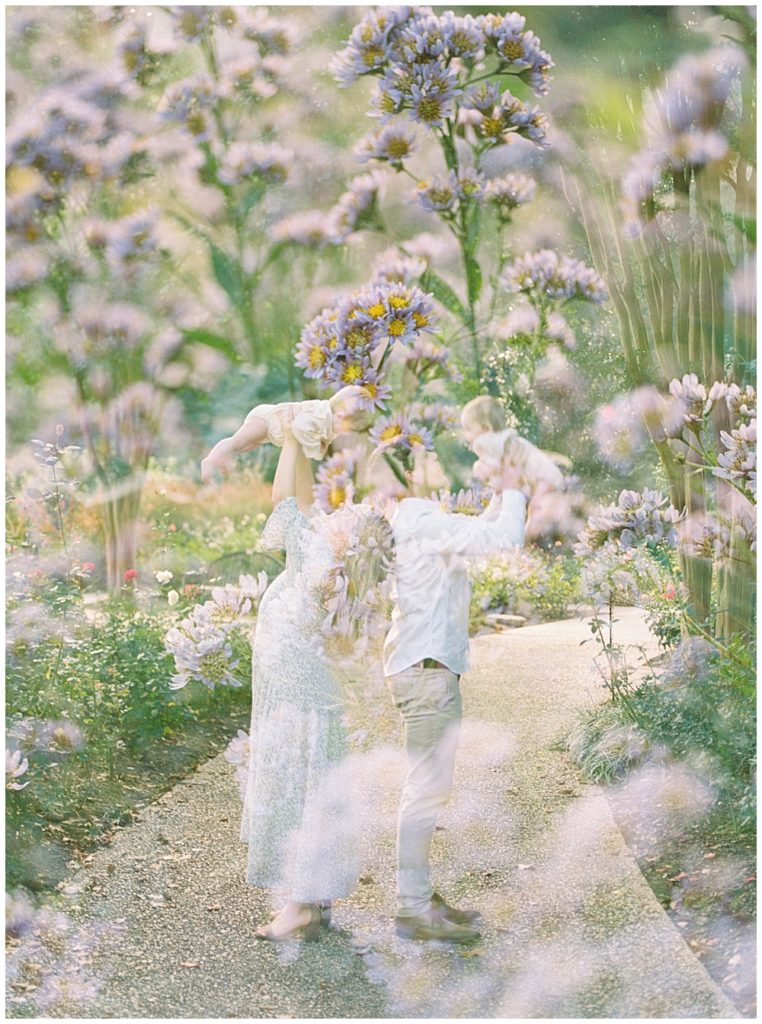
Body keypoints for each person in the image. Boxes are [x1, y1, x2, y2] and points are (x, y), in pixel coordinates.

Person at [204, 420, 362, 942]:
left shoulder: (321, 544)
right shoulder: (352, 539)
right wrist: (304, 441)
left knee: (297, 768)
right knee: (315, 761)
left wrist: (293, 435)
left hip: (295, 658)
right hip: (312, 661)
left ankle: (298, 906)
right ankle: (314, 899)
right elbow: (301, 497)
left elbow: (283, 501)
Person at [383, 429, 535, 944]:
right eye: (425, 457)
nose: (436, 459)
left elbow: (483, 529)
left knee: (429, 789)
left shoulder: (423, 520)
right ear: (409, 474)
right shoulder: (422, 521)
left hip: (427, 669)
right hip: (426, 673)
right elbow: (504, 540)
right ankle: (411, 908)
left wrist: (499, 492)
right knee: (425, 791)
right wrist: (513, 486)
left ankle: (419, 895)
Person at [200, 384, 370, 482]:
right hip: (267, 420)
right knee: (236, 442)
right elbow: (299, 427)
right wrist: (314, 449)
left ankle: (222, 458)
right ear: (340, 416)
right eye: (348, 429)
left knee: (246, 446)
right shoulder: (318, 416)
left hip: (272, 431)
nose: (345, 434)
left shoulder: (328, 421)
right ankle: (209, 461)